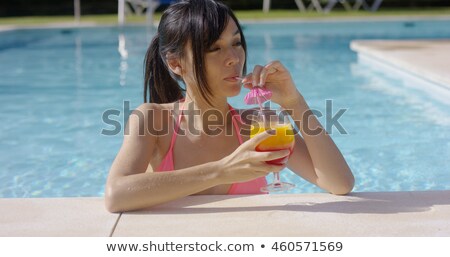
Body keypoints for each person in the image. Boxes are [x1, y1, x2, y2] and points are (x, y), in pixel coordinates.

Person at [105, 0, 354, 213]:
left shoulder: (256, 124)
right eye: (214, 48)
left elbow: (339, 183)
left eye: (236, 43)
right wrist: (223, 171)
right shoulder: (153, 120)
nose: (234, 59)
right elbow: (116, 194)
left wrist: (294, 102)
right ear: (175, 63)